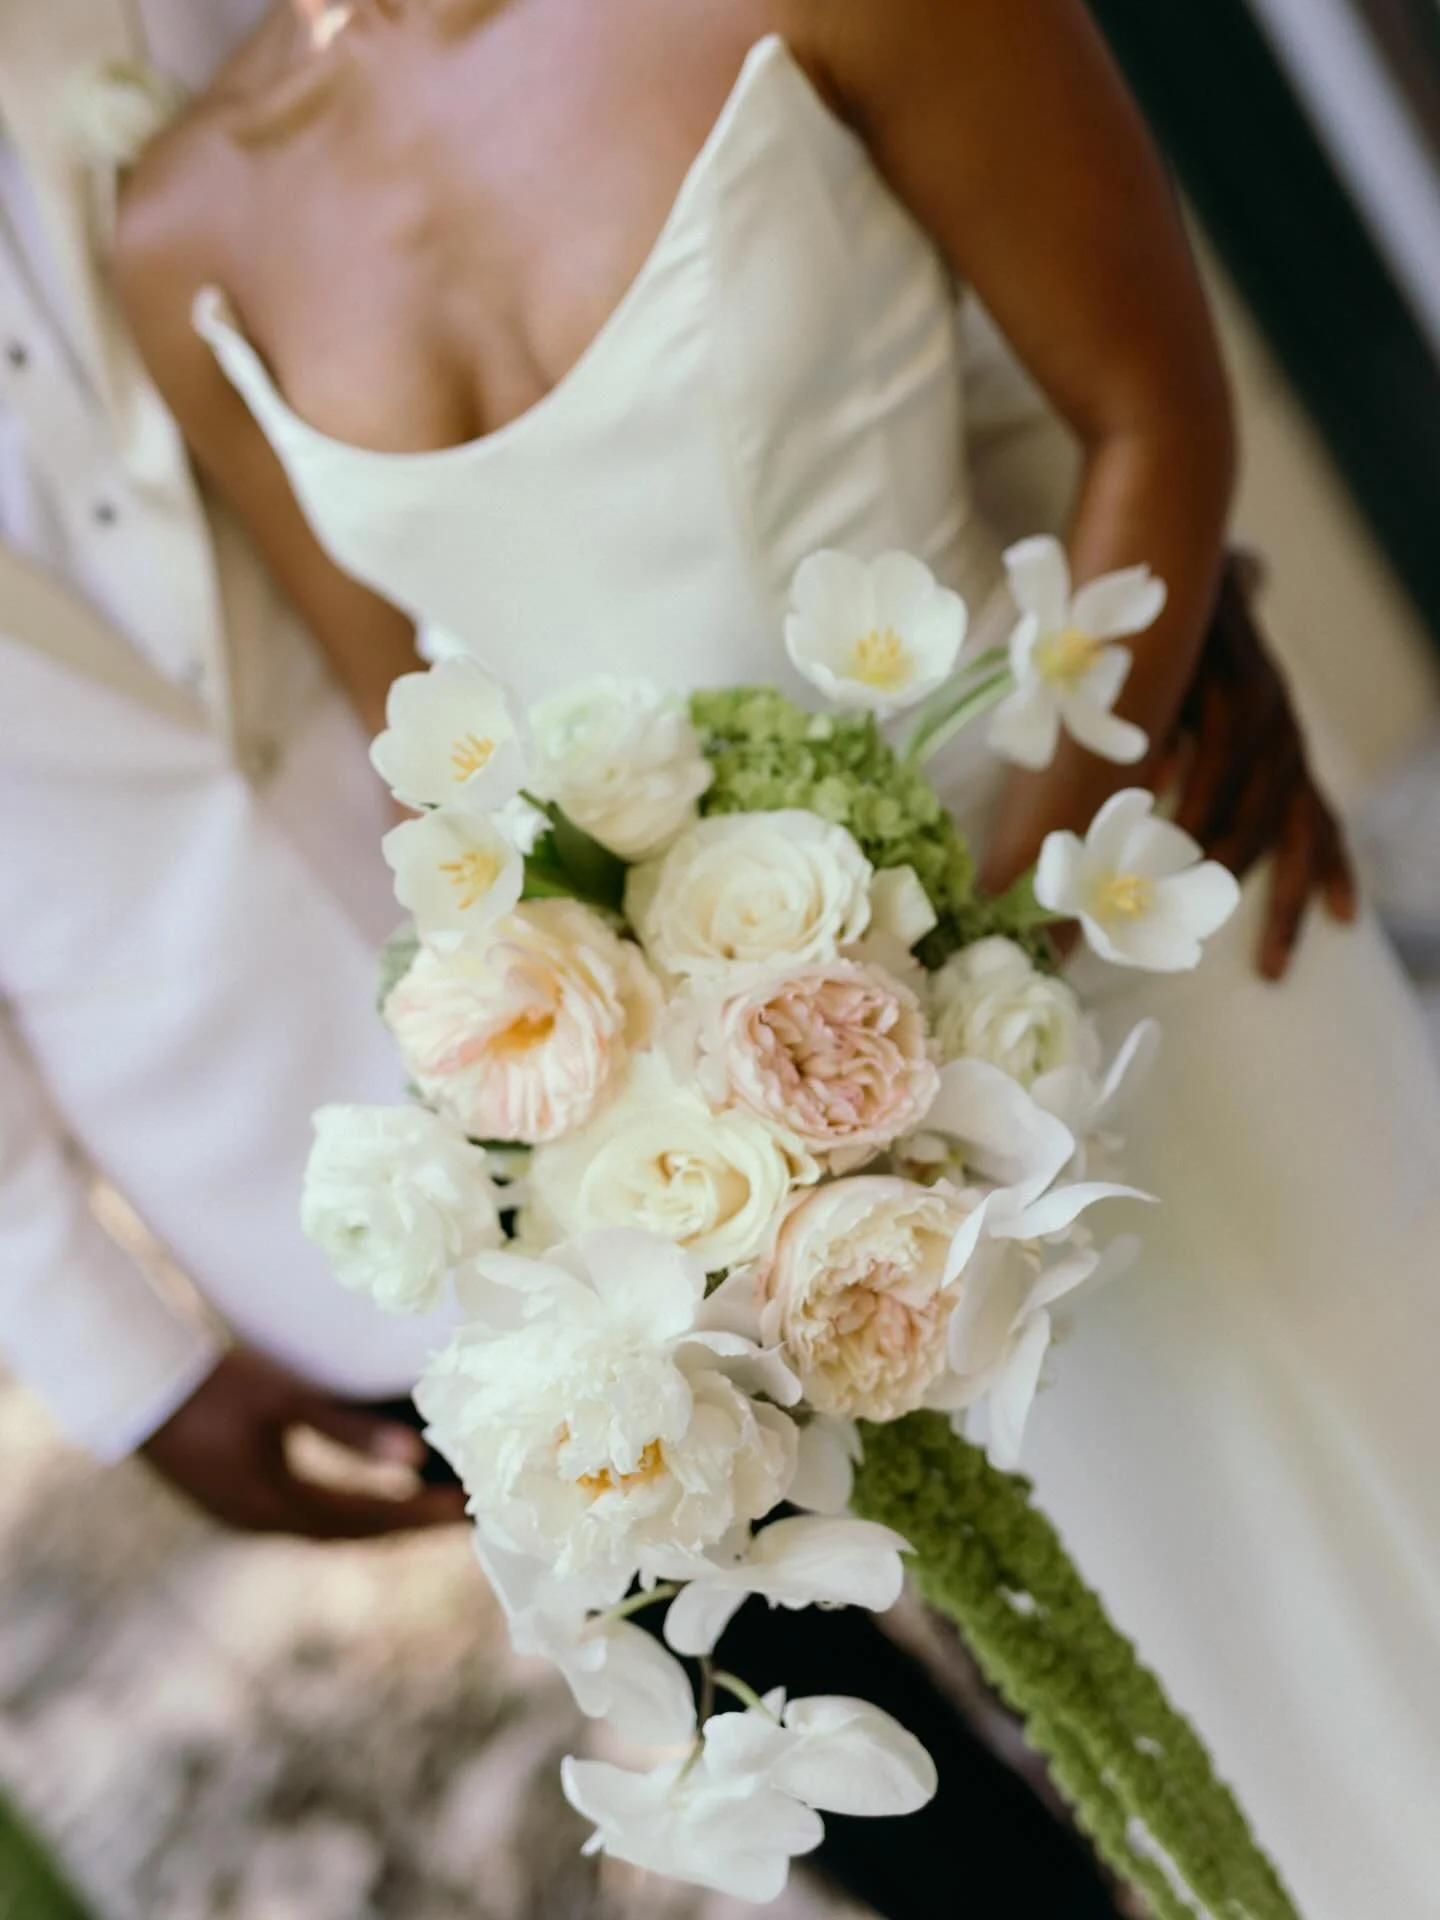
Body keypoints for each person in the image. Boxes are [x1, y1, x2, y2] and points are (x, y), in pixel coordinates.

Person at [110, 3, 1440, 1913]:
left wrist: (962, 1000)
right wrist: (652, 1166)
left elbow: (1150, 410)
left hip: (1122, 932)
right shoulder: (184, 236)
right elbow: (449, 785)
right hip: (801, 1212)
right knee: (1214, 1706)